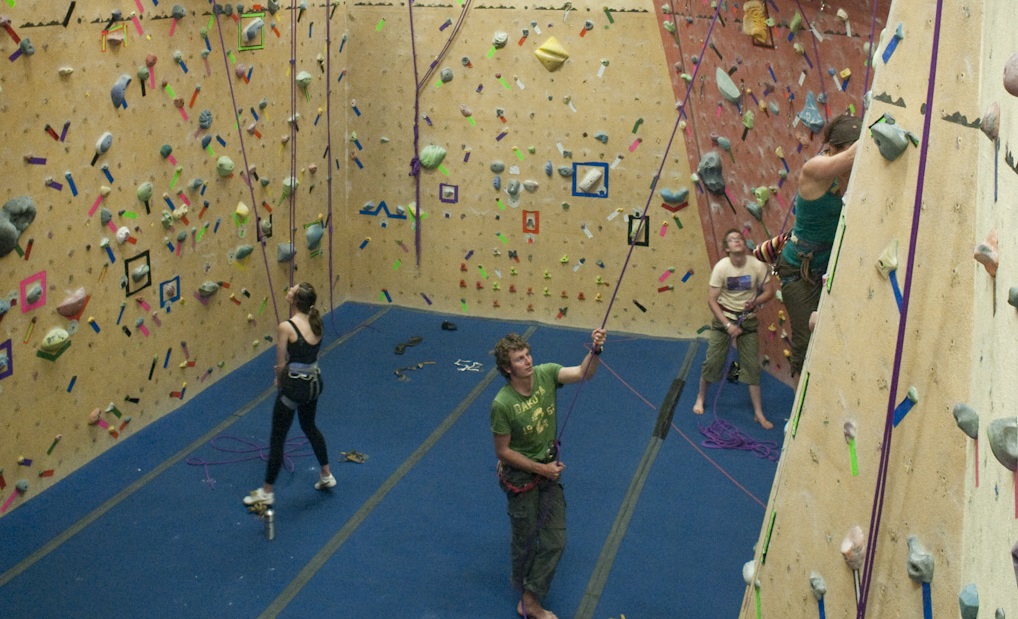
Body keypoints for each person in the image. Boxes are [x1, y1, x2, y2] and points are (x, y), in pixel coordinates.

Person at [490, 328, 607, 619]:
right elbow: (503, 452)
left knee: (555, 540)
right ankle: (523, 588)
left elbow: (583, 373)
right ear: (508, 368)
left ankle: (530, 599)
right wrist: (541, 468)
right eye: (519, 359)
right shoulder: (502, 404)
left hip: (548, 473)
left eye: (528, 355)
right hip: (522, 477)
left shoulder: (546, 374)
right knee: (525, 540)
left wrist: (596, 351)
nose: (528, 361)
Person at [778, 113, 861, 380]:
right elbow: (851, 157)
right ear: (832, 149)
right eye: (849, 147)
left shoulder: (856, 177)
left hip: (825, 268)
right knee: (806, 344)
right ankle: (798, 417)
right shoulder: (815, 169)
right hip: (797, 271)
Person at [243, 282, 334, 506]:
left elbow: (281, 364)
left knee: (278, 437)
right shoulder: (317, 322)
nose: (289, 289)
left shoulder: (287, 327)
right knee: (309, 426)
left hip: (295, 387)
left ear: (295, 300)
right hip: (313, 384)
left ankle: (267, 491)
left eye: (292, 290)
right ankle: (326, 474)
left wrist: (279, 381)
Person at [693, 229, 775, 429]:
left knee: (751, 367)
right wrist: (727, 325)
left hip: (747, 321)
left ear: (743, 244)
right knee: (713, 362)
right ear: (726, 248)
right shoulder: (721, 268)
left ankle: (758, 413)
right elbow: (712, 300)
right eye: (731, 240)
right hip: (725, 319)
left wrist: (755, 301)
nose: (736, 241)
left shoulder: (756, 265)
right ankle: (700, 398)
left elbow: (770, 292)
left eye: (739, 238)